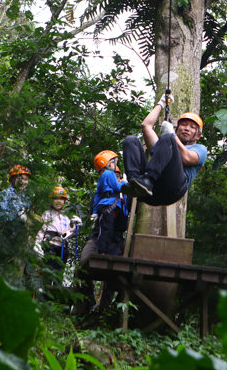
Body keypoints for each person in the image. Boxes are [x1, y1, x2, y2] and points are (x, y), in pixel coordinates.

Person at [122, 95, 207, 206]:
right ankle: (135, 184)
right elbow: (146, 125)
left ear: (198, 135)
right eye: (184, 125)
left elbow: (187, 158)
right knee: (130, 140)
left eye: (192, 127)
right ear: (177, 129)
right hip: (151, 192)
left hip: (172, 189)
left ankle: (148, 179)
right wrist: (161, 103)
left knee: (168, 138)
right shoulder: (165, 147)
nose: (187, 128)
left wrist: (171, 135)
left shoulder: (200, 149)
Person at [74, 150, 128, 314]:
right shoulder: (107, 190)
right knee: (83, 266)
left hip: (116, 238)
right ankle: (86, 306)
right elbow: (96, 205)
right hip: (98, 237)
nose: (116, 178)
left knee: (115, 274)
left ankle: (104, 309)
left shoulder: (125, 198)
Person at [34, 186, 81, 268]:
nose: (58, 201)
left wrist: (76, 227)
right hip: (49, 246)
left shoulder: (66, 217)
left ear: (64, 201)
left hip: (62, 249)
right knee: (47, 274)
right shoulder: (47, 214)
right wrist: (37, 244)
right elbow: (42, 230)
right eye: (56, 198)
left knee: (59, 277)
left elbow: (67, 235)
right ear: (52, 200)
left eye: (61, 199)